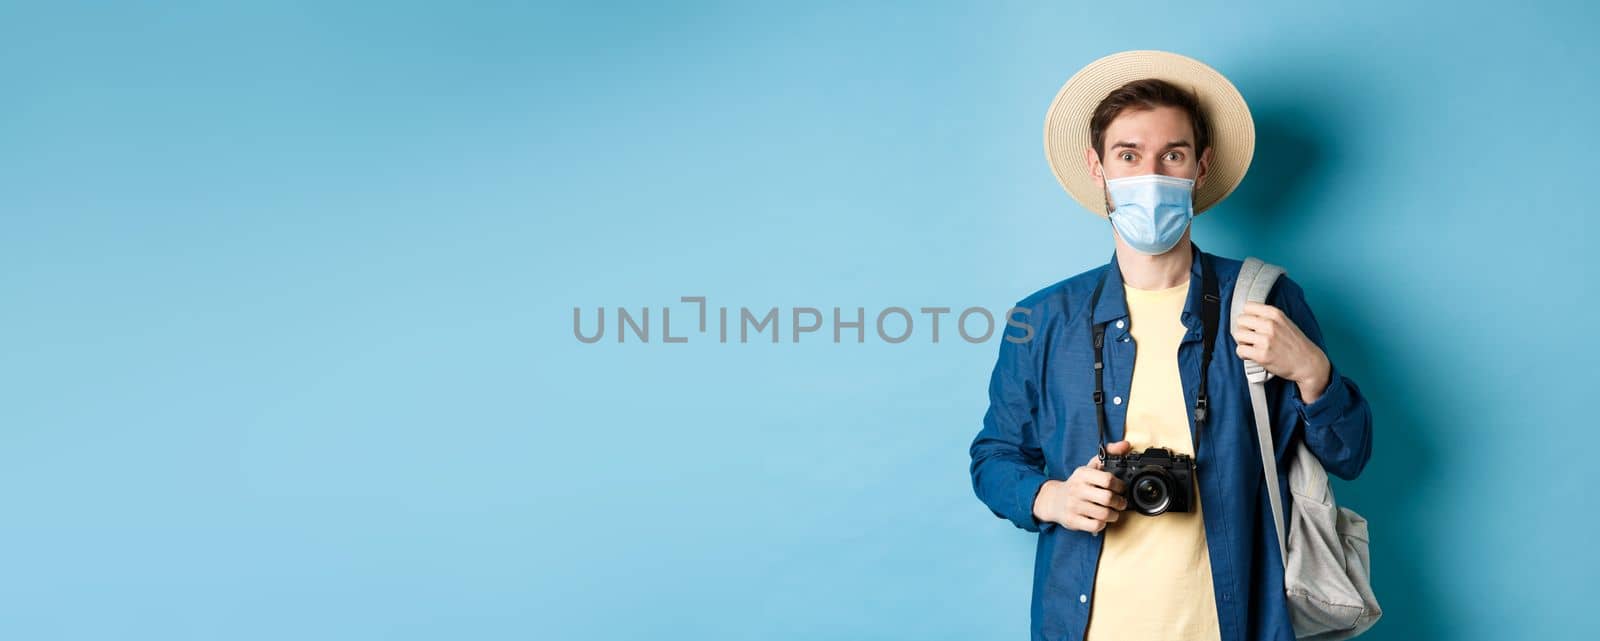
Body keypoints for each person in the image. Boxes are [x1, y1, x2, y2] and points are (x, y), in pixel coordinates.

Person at [967, 50, 1374, 641]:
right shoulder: (1041, 319)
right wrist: (1051, 498)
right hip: (1083, 625)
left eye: (1172, 156)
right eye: (1128, 155)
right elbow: (993, 458)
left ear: (1200, 167)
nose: (1150, 176)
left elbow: (1350, 456)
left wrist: (1314, 373)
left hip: (1234, 623)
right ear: (1097, 166)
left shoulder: (1263, 299)